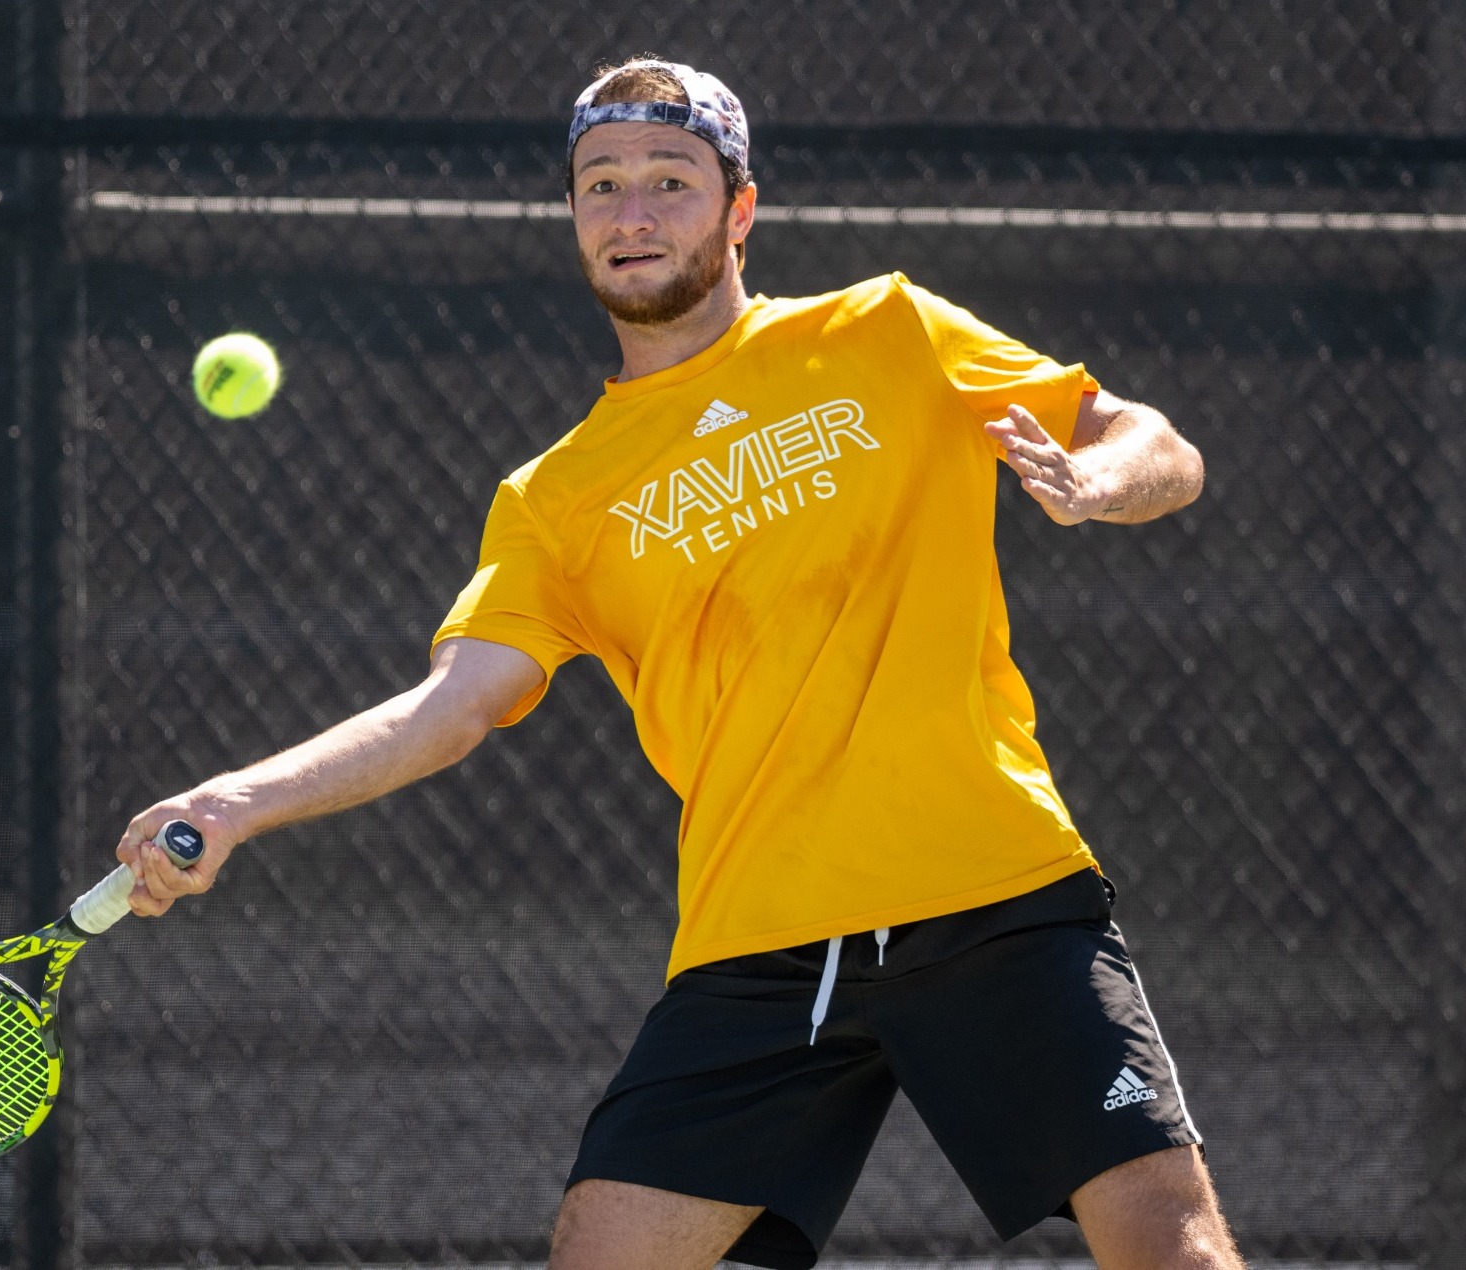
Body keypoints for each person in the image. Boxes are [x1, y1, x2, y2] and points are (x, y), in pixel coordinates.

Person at [116, 56, 1240, 1270]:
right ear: (573, 217)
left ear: (739, 210)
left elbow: (1148, 437)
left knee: (1166, 1245)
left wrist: (1097, 484)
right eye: (600, 185)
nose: (632, 212)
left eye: (669, 179)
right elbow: (452, 706)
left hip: (993, 894)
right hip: (757, 941)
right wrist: (238, 799)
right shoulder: (555, 498)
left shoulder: (889, 330)